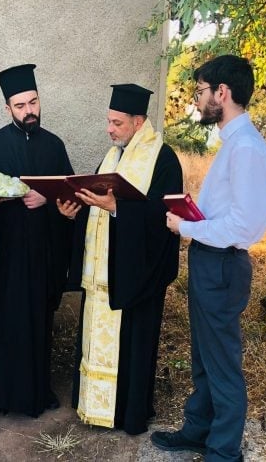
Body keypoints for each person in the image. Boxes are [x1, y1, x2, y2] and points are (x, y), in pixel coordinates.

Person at [151, 55, 266, 461]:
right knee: (205, 356)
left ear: (221, 93)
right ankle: (199, 430)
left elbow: (243, 225)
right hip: (212, 260)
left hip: (223, 263)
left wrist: (186, 227)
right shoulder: (235, 143)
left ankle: (224, 451)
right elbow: (231, 213)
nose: (196, 101)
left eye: (200, 92)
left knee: (222, 362)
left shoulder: (246, 148)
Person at [58, 83, 183, 435]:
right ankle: (94, 407)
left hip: (136, 277)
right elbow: (97, 209)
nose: (110, 130)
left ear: (139, 121)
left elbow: (164, 219)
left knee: (133, 344)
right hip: (103, 277)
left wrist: (117, 209)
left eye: (117, 123)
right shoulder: (113, 156)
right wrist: (74, 213)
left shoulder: (163, 159)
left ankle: (126, 413)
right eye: (109, 122)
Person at [0, 64, 74, 417]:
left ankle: (39, 393)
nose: (29, 111)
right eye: (20, 106)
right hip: (7, 255)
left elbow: (72, 194)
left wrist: (47, 200)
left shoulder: (55, 145)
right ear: (7, 109)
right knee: (7, 324)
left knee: (39, 323)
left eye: (33, 102)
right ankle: (5, 395)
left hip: (43, 252)